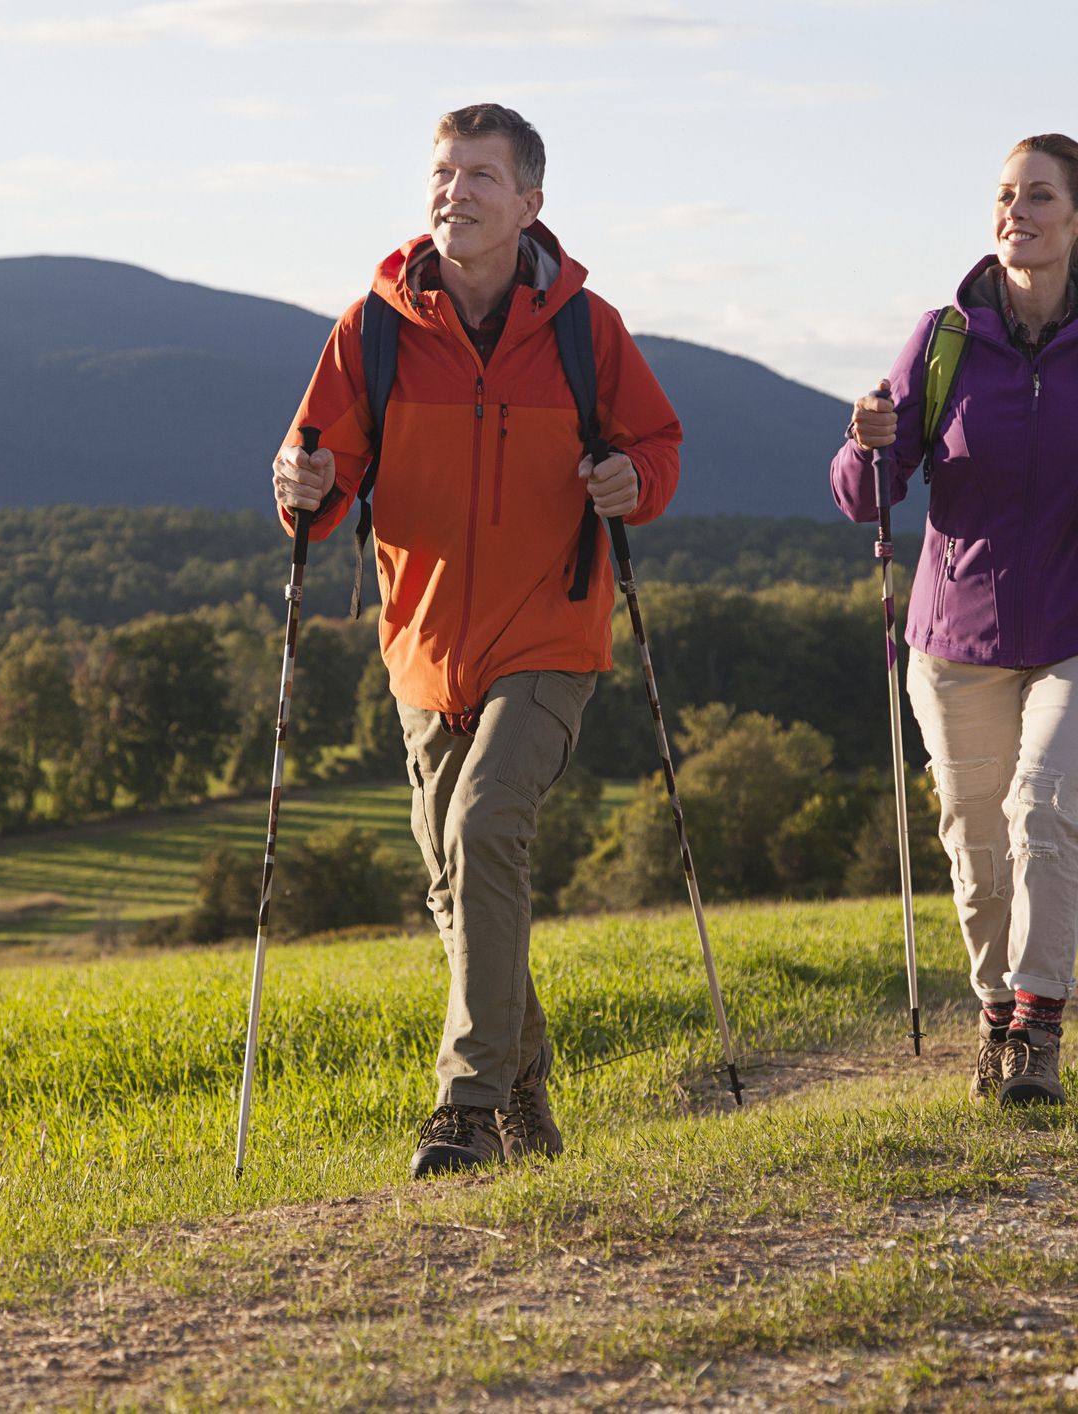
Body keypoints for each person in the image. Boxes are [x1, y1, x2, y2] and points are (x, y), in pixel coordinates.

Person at [272, 103, 683, 1176]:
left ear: (531, 203)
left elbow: (657, 445)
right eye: (445, 173)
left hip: (549, 628)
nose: (457, 191)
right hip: (419, 646)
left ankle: (465, 1103)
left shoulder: (589, 333)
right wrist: (304, 488)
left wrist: (631, 480)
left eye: (482, 176)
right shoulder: (372, 330)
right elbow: (319, 479)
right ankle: (526, 1083)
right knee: (455, 881)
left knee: (487, 825)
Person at [831, 133, 1078, 1106]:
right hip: (955, 639)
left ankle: (1037, 1027)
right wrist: (864, 447)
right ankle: (994, 1014)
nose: (1016, 212)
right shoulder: (944, 335)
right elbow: (871, 492)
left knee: (1041, 810)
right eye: (1005, 195)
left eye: (1038, 197)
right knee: (975, 843)